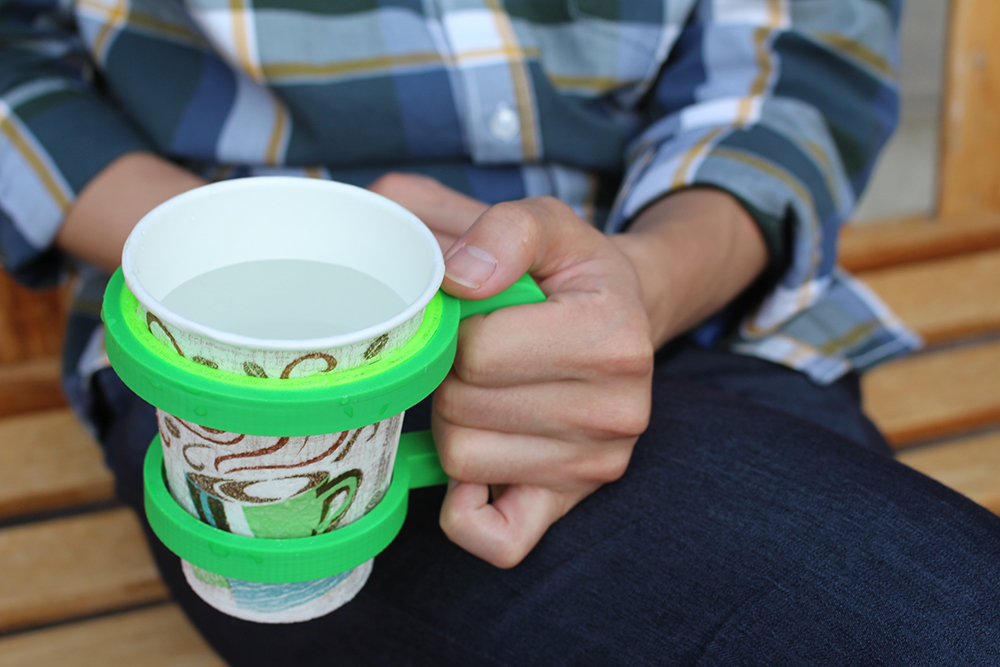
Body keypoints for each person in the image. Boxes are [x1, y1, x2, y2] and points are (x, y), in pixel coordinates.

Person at [3, 0, 999, 664]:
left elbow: (793, 66)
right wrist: (229, 256)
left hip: (705, 302)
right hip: (230, 370)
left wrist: (644, 284)